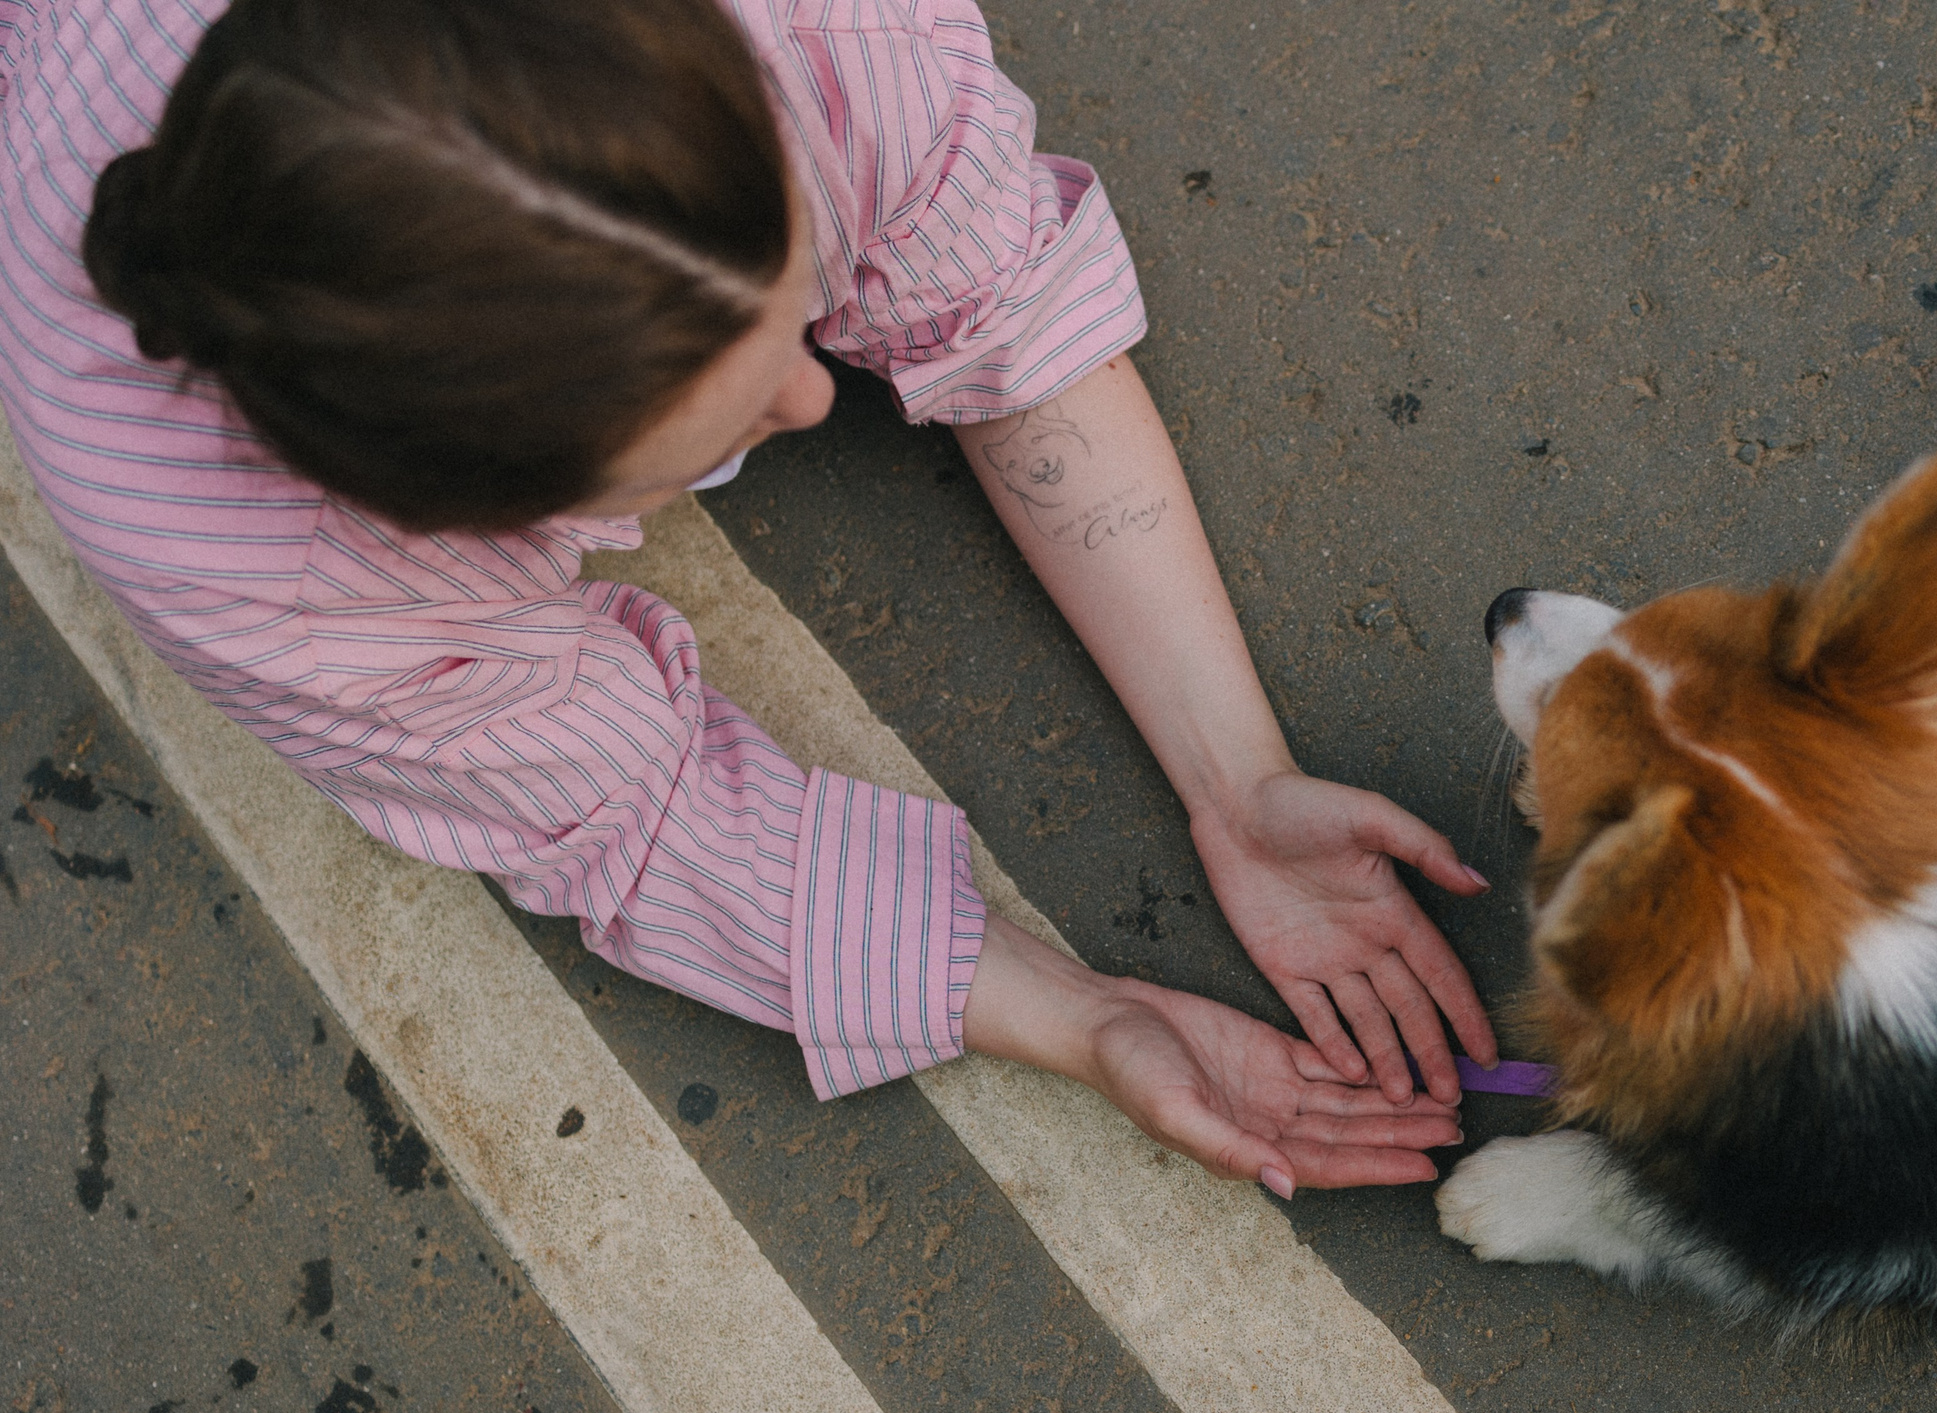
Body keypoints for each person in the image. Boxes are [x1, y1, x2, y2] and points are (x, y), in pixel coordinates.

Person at [0, 0, 1498, 1196]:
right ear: (451, 514)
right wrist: (1082, 1017)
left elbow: (997, 301)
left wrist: (1240, 780)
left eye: (789, 301)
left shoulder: (812, 34)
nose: (811, 394)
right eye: (707, 437)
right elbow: (634, 816)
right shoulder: (268, 578)